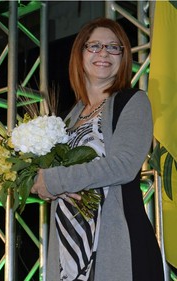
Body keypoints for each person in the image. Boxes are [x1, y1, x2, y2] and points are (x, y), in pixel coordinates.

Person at [31, 17, 164, 281]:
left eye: (113, 47)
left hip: (117, 244)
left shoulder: (133, 102)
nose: (103, 52)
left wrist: (54, 180)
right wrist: (37, 183)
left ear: (123, 57)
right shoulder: (68, 118)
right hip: (70, 246)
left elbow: (123, 165)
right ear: (79, 54)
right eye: (94, 46)